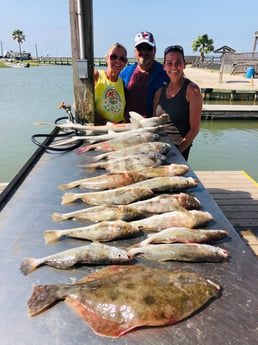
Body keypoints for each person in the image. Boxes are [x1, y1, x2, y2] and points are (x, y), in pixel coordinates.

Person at [153, 45, 202, 161]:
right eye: (169, 63)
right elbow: (154, 124)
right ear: (164, 66)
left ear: (184, 64)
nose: (174, 66)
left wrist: (176, 153)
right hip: (158, 148)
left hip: (179, 150)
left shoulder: (192, 90)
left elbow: (194, 130)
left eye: (178, 62)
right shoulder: (159, 93)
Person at [120, 31, 169, 122]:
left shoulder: (165, 74)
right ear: (135, 51)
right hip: (128, 128)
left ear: (154, 51)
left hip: (153, 128)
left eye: (148, 48)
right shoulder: (125, 73)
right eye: (140, 48)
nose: (144, 52)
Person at [94, 42, 128, 124]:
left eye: (122, 58)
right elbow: (82, 106)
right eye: (114, 57)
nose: (118, 61)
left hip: (118, 131)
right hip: (98, 131)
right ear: (107, 58)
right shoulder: (96, 75)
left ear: (125, 63)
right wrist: (107, 124)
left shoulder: (122, 83)